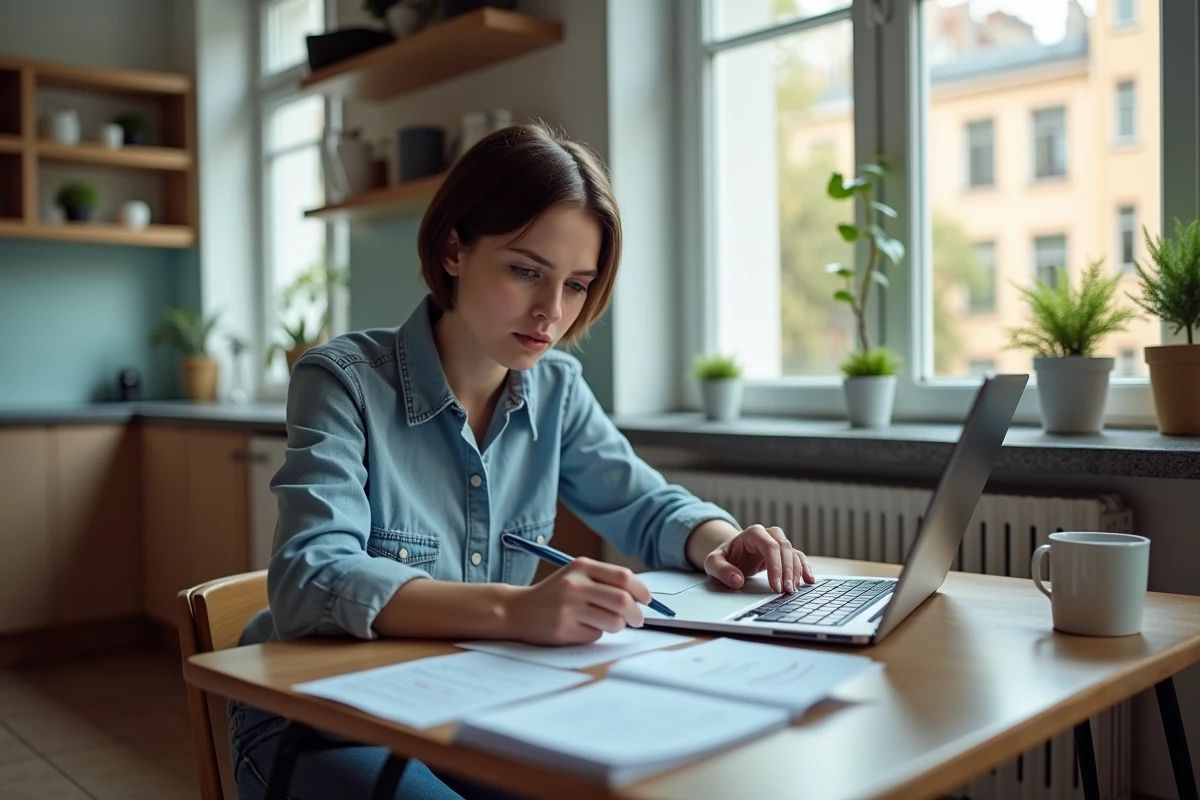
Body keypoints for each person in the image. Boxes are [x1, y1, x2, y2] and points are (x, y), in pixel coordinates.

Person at [229, 120, 815, 800]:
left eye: (577, 285)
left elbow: (646, 505)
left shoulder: (556, 388)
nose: (551, 312)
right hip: (323, 720)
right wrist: (516, 611)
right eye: (526, 271)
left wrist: (722, 542)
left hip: (473, 708)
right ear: (454, 249)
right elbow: (310, 578)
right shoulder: (343, 381)